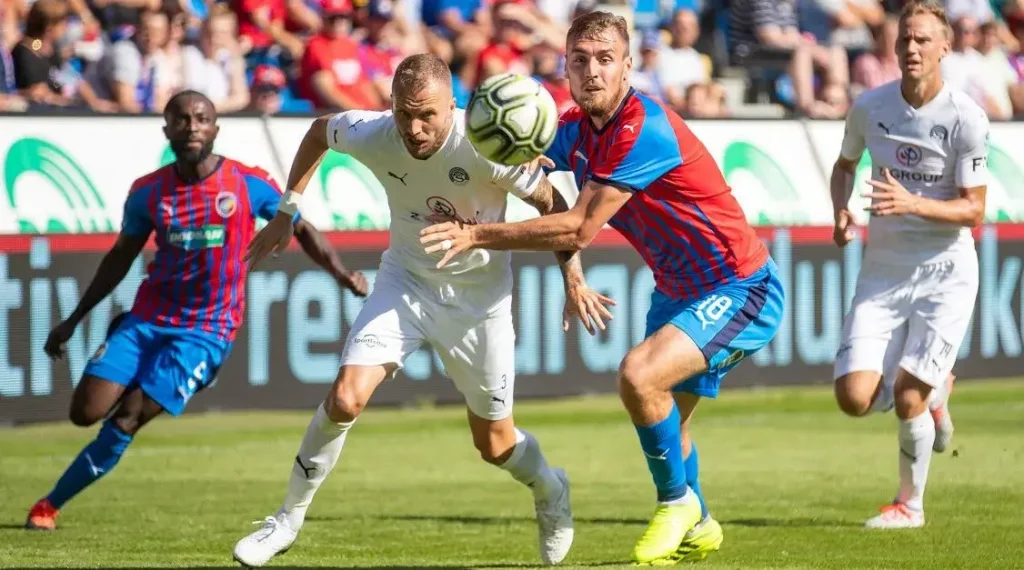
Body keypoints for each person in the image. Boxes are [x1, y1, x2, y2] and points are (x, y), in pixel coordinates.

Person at [420, 11, 785, 566]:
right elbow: (526, 155)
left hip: (739, 285)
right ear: (565, 64)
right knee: (668, 417)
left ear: (628, 66)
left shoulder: (643, 127)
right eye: (581, 59)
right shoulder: (575, 130)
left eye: (605, 59)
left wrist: (478, 235)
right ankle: (701, 522)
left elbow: (576, 226)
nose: (593, 71)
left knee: (638, 377)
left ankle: (674, 503)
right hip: (678, 290)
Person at [234, 54, 614, 568]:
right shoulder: (374, 132)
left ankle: (550, 488)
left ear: (451, 107)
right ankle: (286, 520)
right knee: (346, 398)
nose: (413, 128)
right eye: (403, 113)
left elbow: (555, 211)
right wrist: (287, 210)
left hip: (480, 306)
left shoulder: (489, 147)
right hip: (405, 284)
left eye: (427, 115)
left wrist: (573, 278)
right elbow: (320, 131)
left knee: (496, 444)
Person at [26, 90, 368, 531]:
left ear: (215, 129)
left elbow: (300, 227)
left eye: (201, 119)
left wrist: (341, 275)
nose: (191, 127)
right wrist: (73, 321)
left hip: (205, 332)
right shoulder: (147, 192)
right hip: (146, 320)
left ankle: (48, 506)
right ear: (166, 128)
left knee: (128, 416)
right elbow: (119, 258)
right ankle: (120, 347)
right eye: (182, 119)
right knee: (84, 413)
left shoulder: (246, 183)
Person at [828, 0, 987, 529]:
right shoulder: (870, 107)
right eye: (905, 40)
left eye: (923, 40)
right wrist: (842, 213)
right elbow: (844, 165)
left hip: (946, 272)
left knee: (906, 395)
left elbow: (975, 208)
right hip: (883, 270)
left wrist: (912, 203)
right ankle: (939, 392)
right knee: (853, 399)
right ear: (893, 47)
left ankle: (909, 506)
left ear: (945, 47)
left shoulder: (966, 117)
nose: (912, 48)